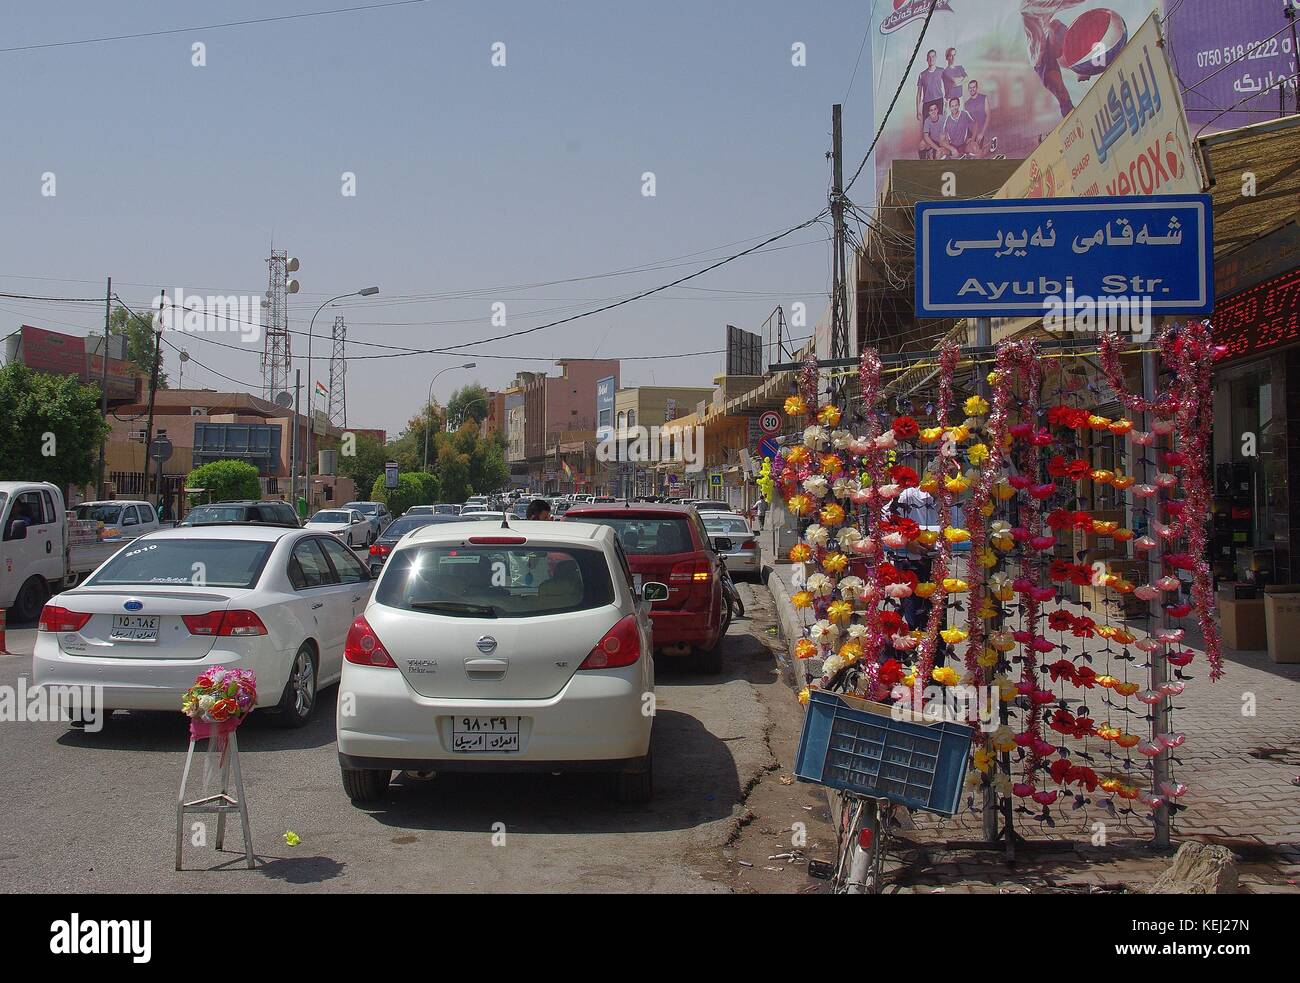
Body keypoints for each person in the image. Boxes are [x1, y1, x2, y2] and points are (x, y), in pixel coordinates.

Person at [915, 49, 946, 137]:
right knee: (927, 129)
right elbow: (918, 94)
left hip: (939, 101)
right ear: (926, 59)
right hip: (927, 103)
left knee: (940, 127)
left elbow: (948, 87)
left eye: (933, 56)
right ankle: (929, 149)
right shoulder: (922, 75)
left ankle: (940, 149)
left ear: (935, 58)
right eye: (929, 57)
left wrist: (947, 104)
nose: (931, 59)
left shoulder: (941, 71)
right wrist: (918, 110)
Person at [965, 79, 989, 155]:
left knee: (980, 152)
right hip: (973, 133)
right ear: (968, 89)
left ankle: (986, 146)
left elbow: (988, 115)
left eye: (974, 87)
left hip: (983, 131)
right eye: (970, 88)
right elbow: (968, 122)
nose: (972, 89)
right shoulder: (967, 103)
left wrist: (982, 133)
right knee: (969, 150)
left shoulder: (983, 98)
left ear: (977, 87)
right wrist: (968, 138)